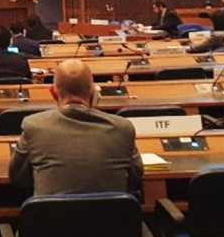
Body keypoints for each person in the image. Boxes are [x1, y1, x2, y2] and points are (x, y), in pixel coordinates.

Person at [9, 59, 141, 195]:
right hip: (111, 209)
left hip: (52, 209)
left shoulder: (34, 125)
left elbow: (18, 177)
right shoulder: (122, 128)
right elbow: (136, 176)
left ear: (53, 92)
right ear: (94, 92)